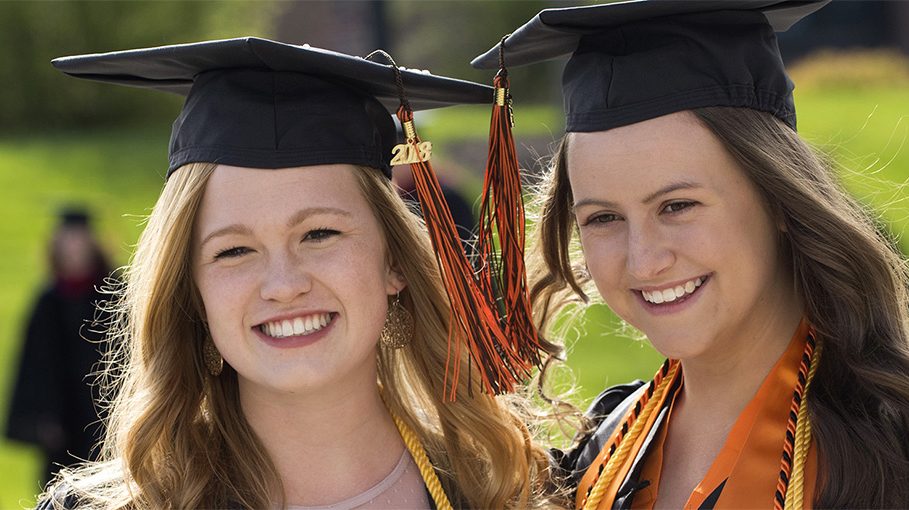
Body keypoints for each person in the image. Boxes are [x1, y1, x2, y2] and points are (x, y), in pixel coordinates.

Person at [40, 37, 551, 509]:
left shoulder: (501, 490)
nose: (285, 285)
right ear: (192, 292)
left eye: (320, 235)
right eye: (234, 251)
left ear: (394, 261)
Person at [473, 1, 909, 508]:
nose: (643, 262)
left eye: (677, 206)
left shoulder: (889, 451)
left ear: (780, 200)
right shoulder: (599, 456)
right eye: (603, 218)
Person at [6, 209, 111, 484]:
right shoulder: (49, 300)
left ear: (92, 243)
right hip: (62, 419)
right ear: (57, 245)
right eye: (68, 239)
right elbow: (34, 364)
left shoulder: (112, 294)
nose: (74, 247)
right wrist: (43, 415)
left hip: (105, 411)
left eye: (80, 239)